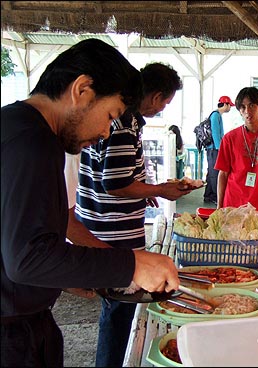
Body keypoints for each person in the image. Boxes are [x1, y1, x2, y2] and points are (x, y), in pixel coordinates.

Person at [1, 39, 182, 368]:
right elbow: (26, 258)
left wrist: (68, 275)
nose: (103, 132)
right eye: (109, 115)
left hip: (26, 321)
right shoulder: (32, 142)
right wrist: (132, 265)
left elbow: (14, 239)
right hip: (11, 337)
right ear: (82, 89)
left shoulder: (18, 128)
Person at [74, 62, 187, 367]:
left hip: (100, 222)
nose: (162, 108)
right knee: (119, 308)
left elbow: (116, 177)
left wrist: (145, 191)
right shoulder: (124, 123)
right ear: (155, 96)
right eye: (165, 102)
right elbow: (116, 183)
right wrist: (158, 190)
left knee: (116, 306)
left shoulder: (123, 121)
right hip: (111, 233)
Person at [203, 95, 233, 204]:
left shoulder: (217, 115)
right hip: (214, 149)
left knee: (211, 171)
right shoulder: (215, 116)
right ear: (225, 104)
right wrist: (221, 150)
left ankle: (208, 195)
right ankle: (216, 196)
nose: (230, 108)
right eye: (230, 105)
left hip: (213, 148)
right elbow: (216, 134)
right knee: (215, 173)